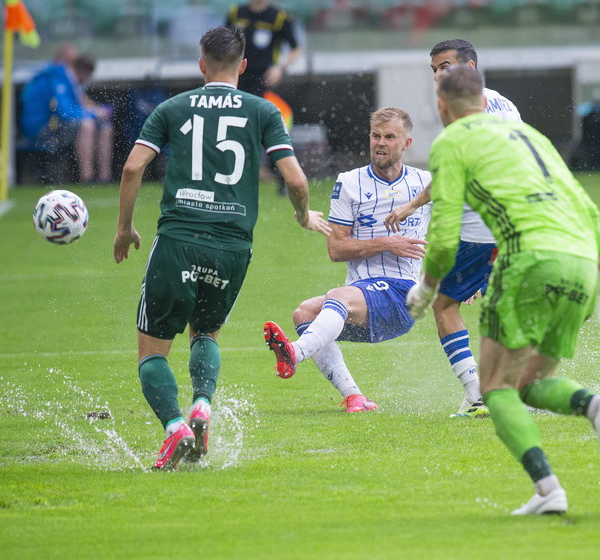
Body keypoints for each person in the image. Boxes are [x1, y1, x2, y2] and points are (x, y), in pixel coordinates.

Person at [407, 64, 600, 515]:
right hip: (581, 266)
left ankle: (548, 489)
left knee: (494, 388)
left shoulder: (452, 141)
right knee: (529, 383)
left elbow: (444, 232)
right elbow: (587, 208)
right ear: (484, 98)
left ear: (442, 106)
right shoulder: (533, 136)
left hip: (529, 262)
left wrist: (427, 287)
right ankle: (599, 408)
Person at [113, 26, 330, 470]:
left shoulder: (171, 108)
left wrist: (124, 228)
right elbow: (295, 179)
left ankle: (175, 427)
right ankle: (202, 406)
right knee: (206, 333)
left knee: (152, 352)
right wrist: (303, 215)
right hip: (233, 246)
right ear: (244, 66)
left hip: (179, 238)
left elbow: (134, 167)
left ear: (201, 64)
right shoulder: (262, 110)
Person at [262, 107, 431, 413]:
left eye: (390, 137)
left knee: (336, 297)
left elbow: (459, 217)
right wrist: (386, 242)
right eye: (375, 135)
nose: (380, 143)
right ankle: (355, 397)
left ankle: (295, 353)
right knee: (303, 313)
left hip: (403, 294)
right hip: (361, 297)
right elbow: (336, 249)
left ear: (406, 143)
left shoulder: (423, 184)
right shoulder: (350, 182)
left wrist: (469, 277)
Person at [384, 39, 520, 419]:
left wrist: (412, 203)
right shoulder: (506, 105)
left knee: (443, 304)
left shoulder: (461, 115)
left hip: (477, 225)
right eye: (434, 70)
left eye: (444, 67)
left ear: (470, 68)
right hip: (515, 225)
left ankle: (479, 393)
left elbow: (452, 171)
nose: (438, 76)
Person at [20, 49, 113, 183]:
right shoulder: (56, 77)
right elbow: (64, 112)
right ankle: (87, 178)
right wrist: (94, 113)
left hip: (57, 125)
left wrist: (96, 111)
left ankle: (105, 178)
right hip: (41, 129)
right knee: (87, 125)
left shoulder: (68, 80)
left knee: (105, 126)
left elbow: (78, 105)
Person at [226, 0, 301, 98]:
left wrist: (280, 68)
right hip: (237, 74)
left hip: (265, 77)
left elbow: (295, 49)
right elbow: (224, 42)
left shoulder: (279, 17)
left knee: (261, 110)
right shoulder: (236, 12)